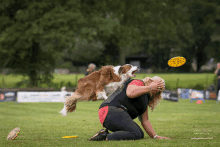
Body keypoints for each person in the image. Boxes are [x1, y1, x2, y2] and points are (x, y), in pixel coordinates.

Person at [89, 76, 171, 141]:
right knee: (135, 134)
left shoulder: (145, 99)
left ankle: (103, 134)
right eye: (157, 86)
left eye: (159, 89)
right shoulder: (139, 82)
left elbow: (145, 121)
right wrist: (150, 87)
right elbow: (130, 93)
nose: (157, 89)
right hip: (110, 110)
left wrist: (155, 136)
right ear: (150, 82)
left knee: (140, 134)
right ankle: (104, 137)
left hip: (112, 115)